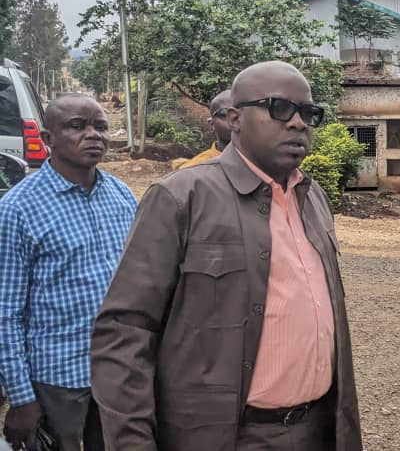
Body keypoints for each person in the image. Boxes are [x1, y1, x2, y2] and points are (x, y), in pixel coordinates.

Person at [91, 61, 362, 451]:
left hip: (316, 428)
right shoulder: (182, 196)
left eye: (308, 113)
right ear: (234, 119)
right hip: (228, 436)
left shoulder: (312, 197)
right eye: (279, 108)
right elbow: (124, 331)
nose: (298, 123)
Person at [0, 94, 137, 451]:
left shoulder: (121, 196)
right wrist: (21, 397)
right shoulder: (18, 209)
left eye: (101, 126)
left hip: (117, 370)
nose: (93, 135)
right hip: (57, 378)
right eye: (76, 126)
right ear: (48, 139)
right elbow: (5, 313)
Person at [170, 89, 233, 170]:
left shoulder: (253, 163)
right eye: (225, 114)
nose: (236, 120)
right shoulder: (193, 170)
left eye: (243, 113)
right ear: (212, 124)